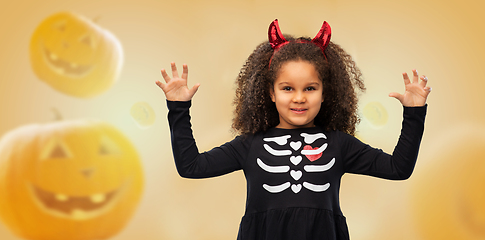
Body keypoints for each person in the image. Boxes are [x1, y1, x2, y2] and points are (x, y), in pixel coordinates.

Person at [155, 19, 430, 240]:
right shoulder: (249, 145)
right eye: (287, 88)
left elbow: (398, 168)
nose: (299, 98)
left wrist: (414, 113)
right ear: (271, 93)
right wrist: (178, 108)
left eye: (310, 88)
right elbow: (191, 166)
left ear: (325, 94)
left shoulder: (339, 144)